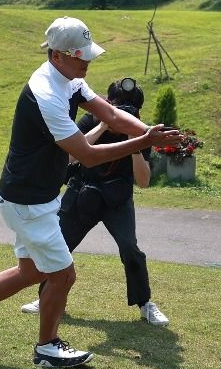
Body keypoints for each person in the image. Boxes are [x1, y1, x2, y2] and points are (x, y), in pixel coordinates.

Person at [0, 17, 182, 368]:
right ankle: (47, 347)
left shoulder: (69, 79)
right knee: (63, 274)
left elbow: (111, 114)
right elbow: (86, 154)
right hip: (27, 200)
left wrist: (157, 133)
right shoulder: (47, 93)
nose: (87, 62)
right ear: (57, 55)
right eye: (80, 56)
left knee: (32, 271)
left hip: (32, 196)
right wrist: (143, 143)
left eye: (88, 56)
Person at [18, 76, 170, 326]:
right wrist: (102, 126)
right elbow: (70, 157)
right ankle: (47, 298)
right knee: (58, 246)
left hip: (117, 199)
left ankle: (145, 304)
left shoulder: (142, 131)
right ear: (107, 103)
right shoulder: (90, 121)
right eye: (116, 108)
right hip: (81, 194)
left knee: (130, 249)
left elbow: (143, 181)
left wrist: (134, 143)